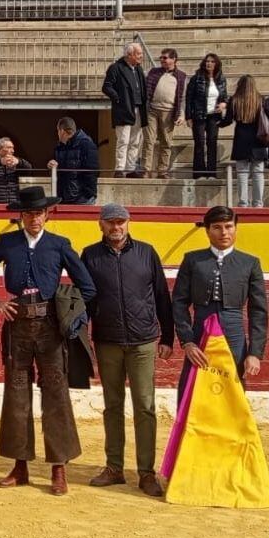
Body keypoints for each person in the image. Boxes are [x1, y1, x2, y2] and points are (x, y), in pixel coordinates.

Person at [0, 186, 96, 495]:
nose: (34, 218)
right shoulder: (7, 242)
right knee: (16, 395)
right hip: (17, 326)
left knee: (56, 395)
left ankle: (59, 467)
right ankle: (20, 466)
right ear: (21, 216)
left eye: (39, 213)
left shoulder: (59, 245)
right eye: (28, 213)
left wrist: (73, 317)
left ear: (47, 214)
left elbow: (87, 287)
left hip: (50, 327)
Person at [79, 203, 173, 497]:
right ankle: (114, 467)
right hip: (107, 340)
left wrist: (168, 337)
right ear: (101, 225)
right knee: (113, 405)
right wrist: (82, 338)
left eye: (121, 222)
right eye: (111, 222)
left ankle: (146, 472)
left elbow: (161, 295)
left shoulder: (147, 252)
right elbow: (85, 300)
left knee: (145, 405)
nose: (116, 227)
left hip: (143, 340)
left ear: (128, 223)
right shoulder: (90, 255)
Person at [171, 206, 268, 395]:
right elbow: (179, 303)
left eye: (229, 226)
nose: (224, 232)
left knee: (233, 393)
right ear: (207, 231)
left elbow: (258, 311)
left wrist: (255, 353)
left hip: (234, 334)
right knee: (193, 390)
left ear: (236, 228)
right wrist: (187, 341)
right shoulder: (192, 260)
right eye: (217, 227)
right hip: (200, 333)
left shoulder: (250, 263)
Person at [221, 75, 268, 208]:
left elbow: (228, 120)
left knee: (242, 172)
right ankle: (258, 203)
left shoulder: (235, 100)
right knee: (258, 172)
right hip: (258, 139)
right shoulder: (260, 99)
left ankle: (243, 203)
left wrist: (218, 122)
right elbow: (268, 117)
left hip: (241, 138)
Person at [102, 43, 147, 177]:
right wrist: (118, 99)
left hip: (139, 109)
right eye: (138, 54)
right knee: (123, 141)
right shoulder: (116, 67)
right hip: (124, 110)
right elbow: (106, 87)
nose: (141, 56)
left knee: (135, 141)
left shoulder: (138, 69)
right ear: (129, 55)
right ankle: (120, 169)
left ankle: (130, 169)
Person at [142, 48, 187, 179]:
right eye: (161, 58)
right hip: (152, 110)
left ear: (174, 59)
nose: (162, 60)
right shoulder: (153, 72)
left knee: (166, 142)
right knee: (148, 140)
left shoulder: (181, 76)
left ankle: (162, 171)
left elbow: (183, 98)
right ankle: (146, 170)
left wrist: (182, 114)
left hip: (169, 112)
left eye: (165, 58)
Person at [184, 53, 228, 179]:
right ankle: (199, 173)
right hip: (199, 115)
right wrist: (188, 117)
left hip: (214, 116)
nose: (209, 63)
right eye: (207, 61)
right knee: (199, 143)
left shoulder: (221, 79)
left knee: (212, 143)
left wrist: (224, 104)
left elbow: (225, 96)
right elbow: (189, 98)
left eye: (212, 61)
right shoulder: (196, 78)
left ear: (216, 64)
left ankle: (211, 173)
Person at [49, 118, 98, 205]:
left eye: (58, 131)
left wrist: (86, 195)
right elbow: (61, 174)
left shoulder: (86, 144)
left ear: (62, 131)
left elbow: (92, 172)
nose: (58, 134)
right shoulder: (59, 147)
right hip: (64, 198)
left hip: (82, 200)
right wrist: (52, 166)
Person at [0, 137, 33, 205]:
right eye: (9, 147)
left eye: (13, 148)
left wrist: (19, 162)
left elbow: (29, 170)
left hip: (14, 201)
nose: (12, 151)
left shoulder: (16, 161)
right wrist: (0, 161)